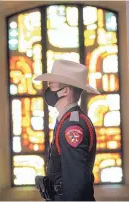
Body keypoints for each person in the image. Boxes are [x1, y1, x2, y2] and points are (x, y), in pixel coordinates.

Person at [34, 60, 100, 201]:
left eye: (51, 85)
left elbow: (75, 181)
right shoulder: (66, 120)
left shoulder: (72, 126)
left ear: (65, 90)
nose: (48, 90)